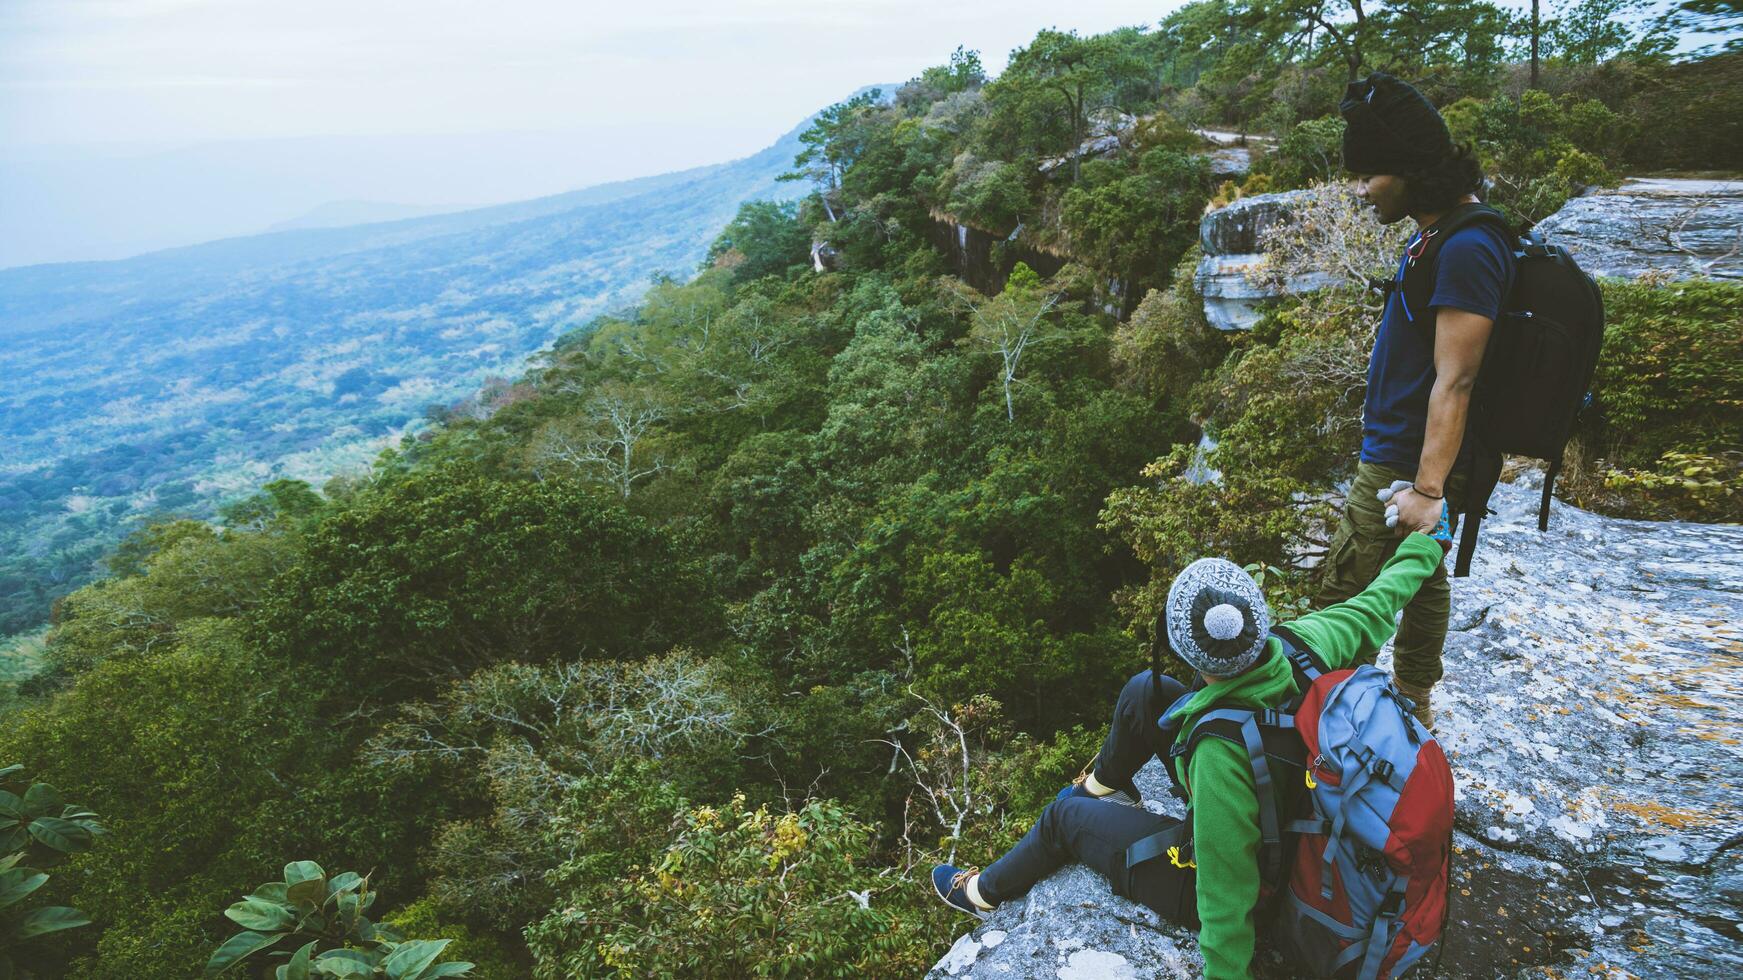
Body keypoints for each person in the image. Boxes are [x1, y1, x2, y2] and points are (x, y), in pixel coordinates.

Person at [932, 525, 1451, 980]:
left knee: (1062, 818)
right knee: (1146, 691)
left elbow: (1227, 896)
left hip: (1258, 865)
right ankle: (1101, 785)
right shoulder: (1304, 641)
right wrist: (1423, 547)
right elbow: (1381, 600)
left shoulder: (1219, 754)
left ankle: (981, 893)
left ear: (1191, 652)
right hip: (1290, 798)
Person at [1319, 72, 1517, 729]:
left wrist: (1426, 491)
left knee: (1342, 590)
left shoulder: (1466, 246)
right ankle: (1412, 705)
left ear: (1405, 170)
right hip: (1402, 448)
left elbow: (1455, 379)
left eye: (1368, 173)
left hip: (1405, 461)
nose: (1358, 188)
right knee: (1421, 572)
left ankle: (1327, 710)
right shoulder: (1436, 234)